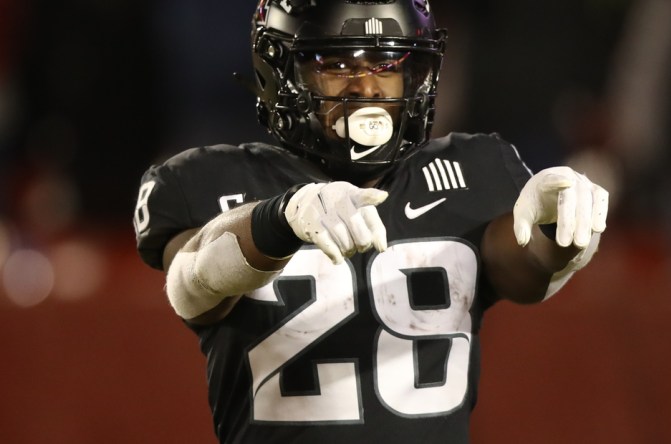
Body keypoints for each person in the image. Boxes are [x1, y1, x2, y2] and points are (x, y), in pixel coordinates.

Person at [133, 0, 609, 442]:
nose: (367, 86)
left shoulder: (472, 168)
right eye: (338, 65)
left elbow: (524, 267)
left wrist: (561, 233)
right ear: (284, 72)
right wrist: (276, 220)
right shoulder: (211, 178)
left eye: (389, 63)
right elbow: (190, 286)